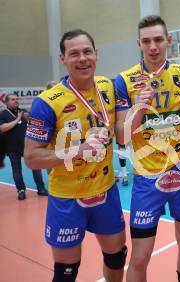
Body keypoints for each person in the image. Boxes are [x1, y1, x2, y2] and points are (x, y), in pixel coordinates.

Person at [24, 29, 127, 282]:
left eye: (87, 52)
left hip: (105, 192)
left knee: (117, 258)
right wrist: (79, 150)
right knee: (66, 273)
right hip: (68, 199)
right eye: (74, 54)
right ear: (63, 59)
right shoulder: (47, 102)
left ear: (96, 54)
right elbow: (32, 157)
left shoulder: (108, 87)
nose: (82, 59)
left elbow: (121, 130)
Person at [114, 15, 180, 282]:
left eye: (158, 40)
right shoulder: (124, 80)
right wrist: (138, 107)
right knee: (140, 255)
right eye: (147, 41)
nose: (153, 46)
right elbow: (122, 136)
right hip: (147, 178)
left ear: (168, 41)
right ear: (139, 43)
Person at [0, 93, 48, 200]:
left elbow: (34, 125)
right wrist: (17, 120)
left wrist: (30, 118)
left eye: (17, 99)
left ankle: (41, 188)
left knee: (36, 167)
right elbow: (3, 128)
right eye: (13, 99)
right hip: (12, 148)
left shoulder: (23, 112)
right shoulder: (3, 114)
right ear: (6, 102)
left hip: (28, 147)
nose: (16, 101)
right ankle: (21, 190)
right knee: (17, 171)